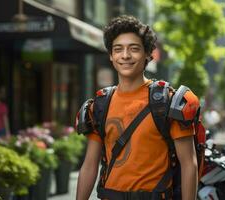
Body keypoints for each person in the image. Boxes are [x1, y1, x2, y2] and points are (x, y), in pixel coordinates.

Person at [76, 15, 198, 200]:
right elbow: (89, 165)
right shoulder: (100, 105)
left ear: (148, 54)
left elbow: (189, 164)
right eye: (118, 49)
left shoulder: (168, 102)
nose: (125, 55)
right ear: (111, 55)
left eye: (134, 49)